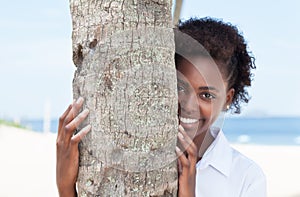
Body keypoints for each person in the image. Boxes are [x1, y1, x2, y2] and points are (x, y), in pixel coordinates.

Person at [56, 17, 266, 197]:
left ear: (228, 99)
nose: (188, 106)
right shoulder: (130, 152)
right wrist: (66, 187)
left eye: (206, 95)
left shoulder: (246, 177)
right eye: (179, 87)